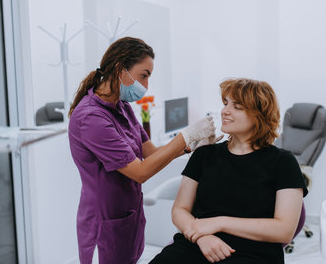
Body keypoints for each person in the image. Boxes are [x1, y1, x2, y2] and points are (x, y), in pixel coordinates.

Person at [67, 37, 217, 264]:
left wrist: (190, 146)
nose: (146, 86)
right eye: (143, 75)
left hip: (128, 215)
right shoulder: (91, 117)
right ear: (120, 69)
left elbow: (151, 152)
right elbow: (140, 171)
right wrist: (186, 135)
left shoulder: (122, 107)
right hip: (104, 223)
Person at [150, 78, 308, 264]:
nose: (225, 111)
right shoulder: (204, 153)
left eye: (237, 107)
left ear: (260, 115)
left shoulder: (282, 162)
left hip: (254, 252)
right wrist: (201, 237)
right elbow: (180, 209)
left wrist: (219, 222)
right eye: (225, 103)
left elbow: (284, 231)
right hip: (197, 245)